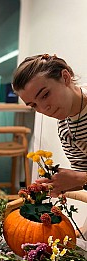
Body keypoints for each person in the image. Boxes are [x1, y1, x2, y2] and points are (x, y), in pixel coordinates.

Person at [12, 53, 87, 197]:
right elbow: (83, 177)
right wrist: (56, 185)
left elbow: (83, 178)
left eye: (45, 95)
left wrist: (80, 178)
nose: (43, 109)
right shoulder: (65, 129)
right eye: (34, 105)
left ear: (65, 77)